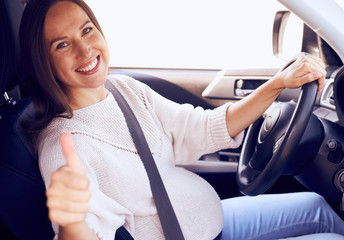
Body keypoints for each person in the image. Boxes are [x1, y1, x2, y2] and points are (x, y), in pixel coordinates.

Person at [19, 0, 344, 239]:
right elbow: (87, 229)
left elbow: (201, 130)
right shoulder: (63, 146)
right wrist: (72, 221)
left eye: (87, 30)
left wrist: (276, 85)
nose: (85, 49)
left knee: (317, 206)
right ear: (42, 61)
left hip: (213, 224)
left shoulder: (123, 89)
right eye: (63, 45)